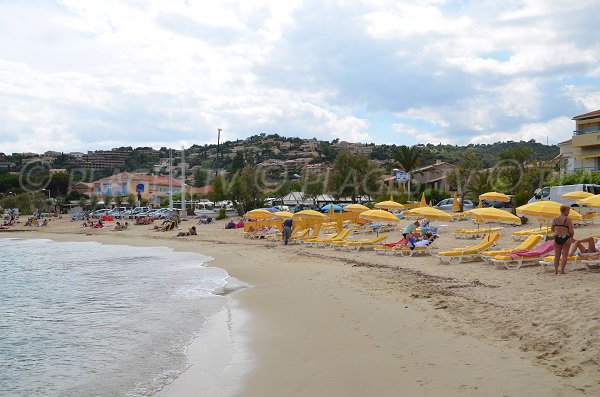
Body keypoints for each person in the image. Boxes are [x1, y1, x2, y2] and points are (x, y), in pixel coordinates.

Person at [552, 205, 574, 275]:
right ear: (565, 211)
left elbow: (552, 229)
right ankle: (562, 271)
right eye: (568, 211)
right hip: (566, 237)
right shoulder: (568, 219)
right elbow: (571, 231)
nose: (569, 213)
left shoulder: (555, 219)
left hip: (557, 237)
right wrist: (572, 237)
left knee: (556, 256)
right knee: (564, 256)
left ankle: (555, 271)